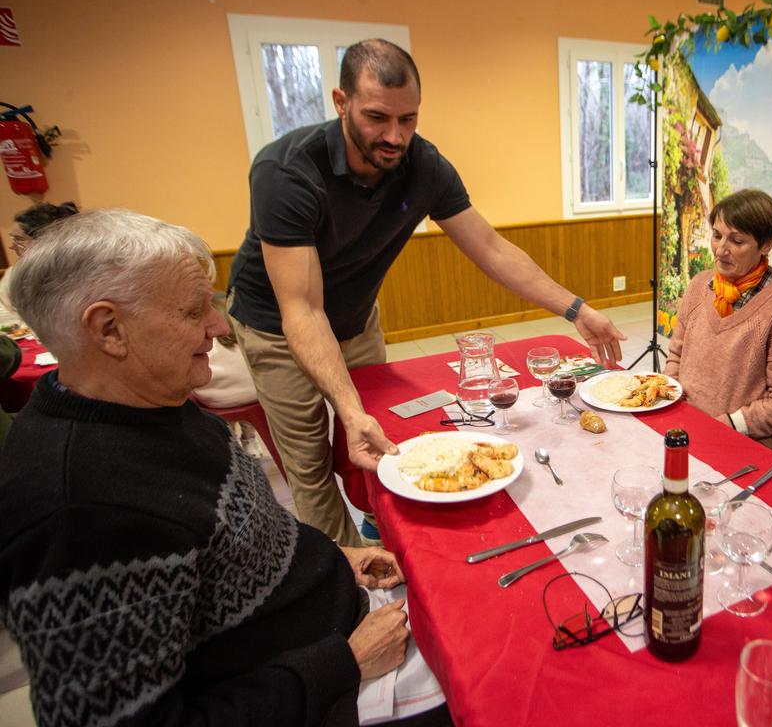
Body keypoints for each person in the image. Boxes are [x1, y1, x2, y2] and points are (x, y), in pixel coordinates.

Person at [0, 209, 439, 726]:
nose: (219, 325)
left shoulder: (149, 403)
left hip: (338, 616)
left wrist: (335, 558)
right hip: (329, 680)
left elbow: (228, 544)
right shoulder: (78, 510)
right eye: (192, 311)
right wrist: (341, 664)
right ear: (109, 329)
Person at [226, 39, 625, 546]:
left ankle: (385, 530)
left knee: (381, 433)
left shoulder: (425, 165)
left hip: (355, 316)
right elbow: (302, 310)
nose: (394, 136)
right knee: (310, 464)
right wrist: (347, 411)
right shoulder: (287, 171)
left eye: (408, 119)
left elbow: (491, 248)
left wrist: (576, 308)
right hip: (278, 325)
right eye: (376, 118)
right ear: (340, 102)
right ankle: (349, 582)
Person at [664, 189, 772, 452]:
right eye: (717, 236)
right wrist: (671, 396)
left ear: (765, 245)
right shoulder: (700, 285)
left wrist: (726, 425)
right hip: (682, 428)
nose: (721, 250)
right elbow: (676, 355)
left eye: (737, 241)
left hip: (739, 445)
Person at [0, 200, 79, 325]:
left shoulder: (78, 271)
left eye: (18, 239)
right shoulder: (14, 274)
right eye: (12, 239)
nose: (12, 246)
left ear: (45, 240)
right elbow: (3, 312)